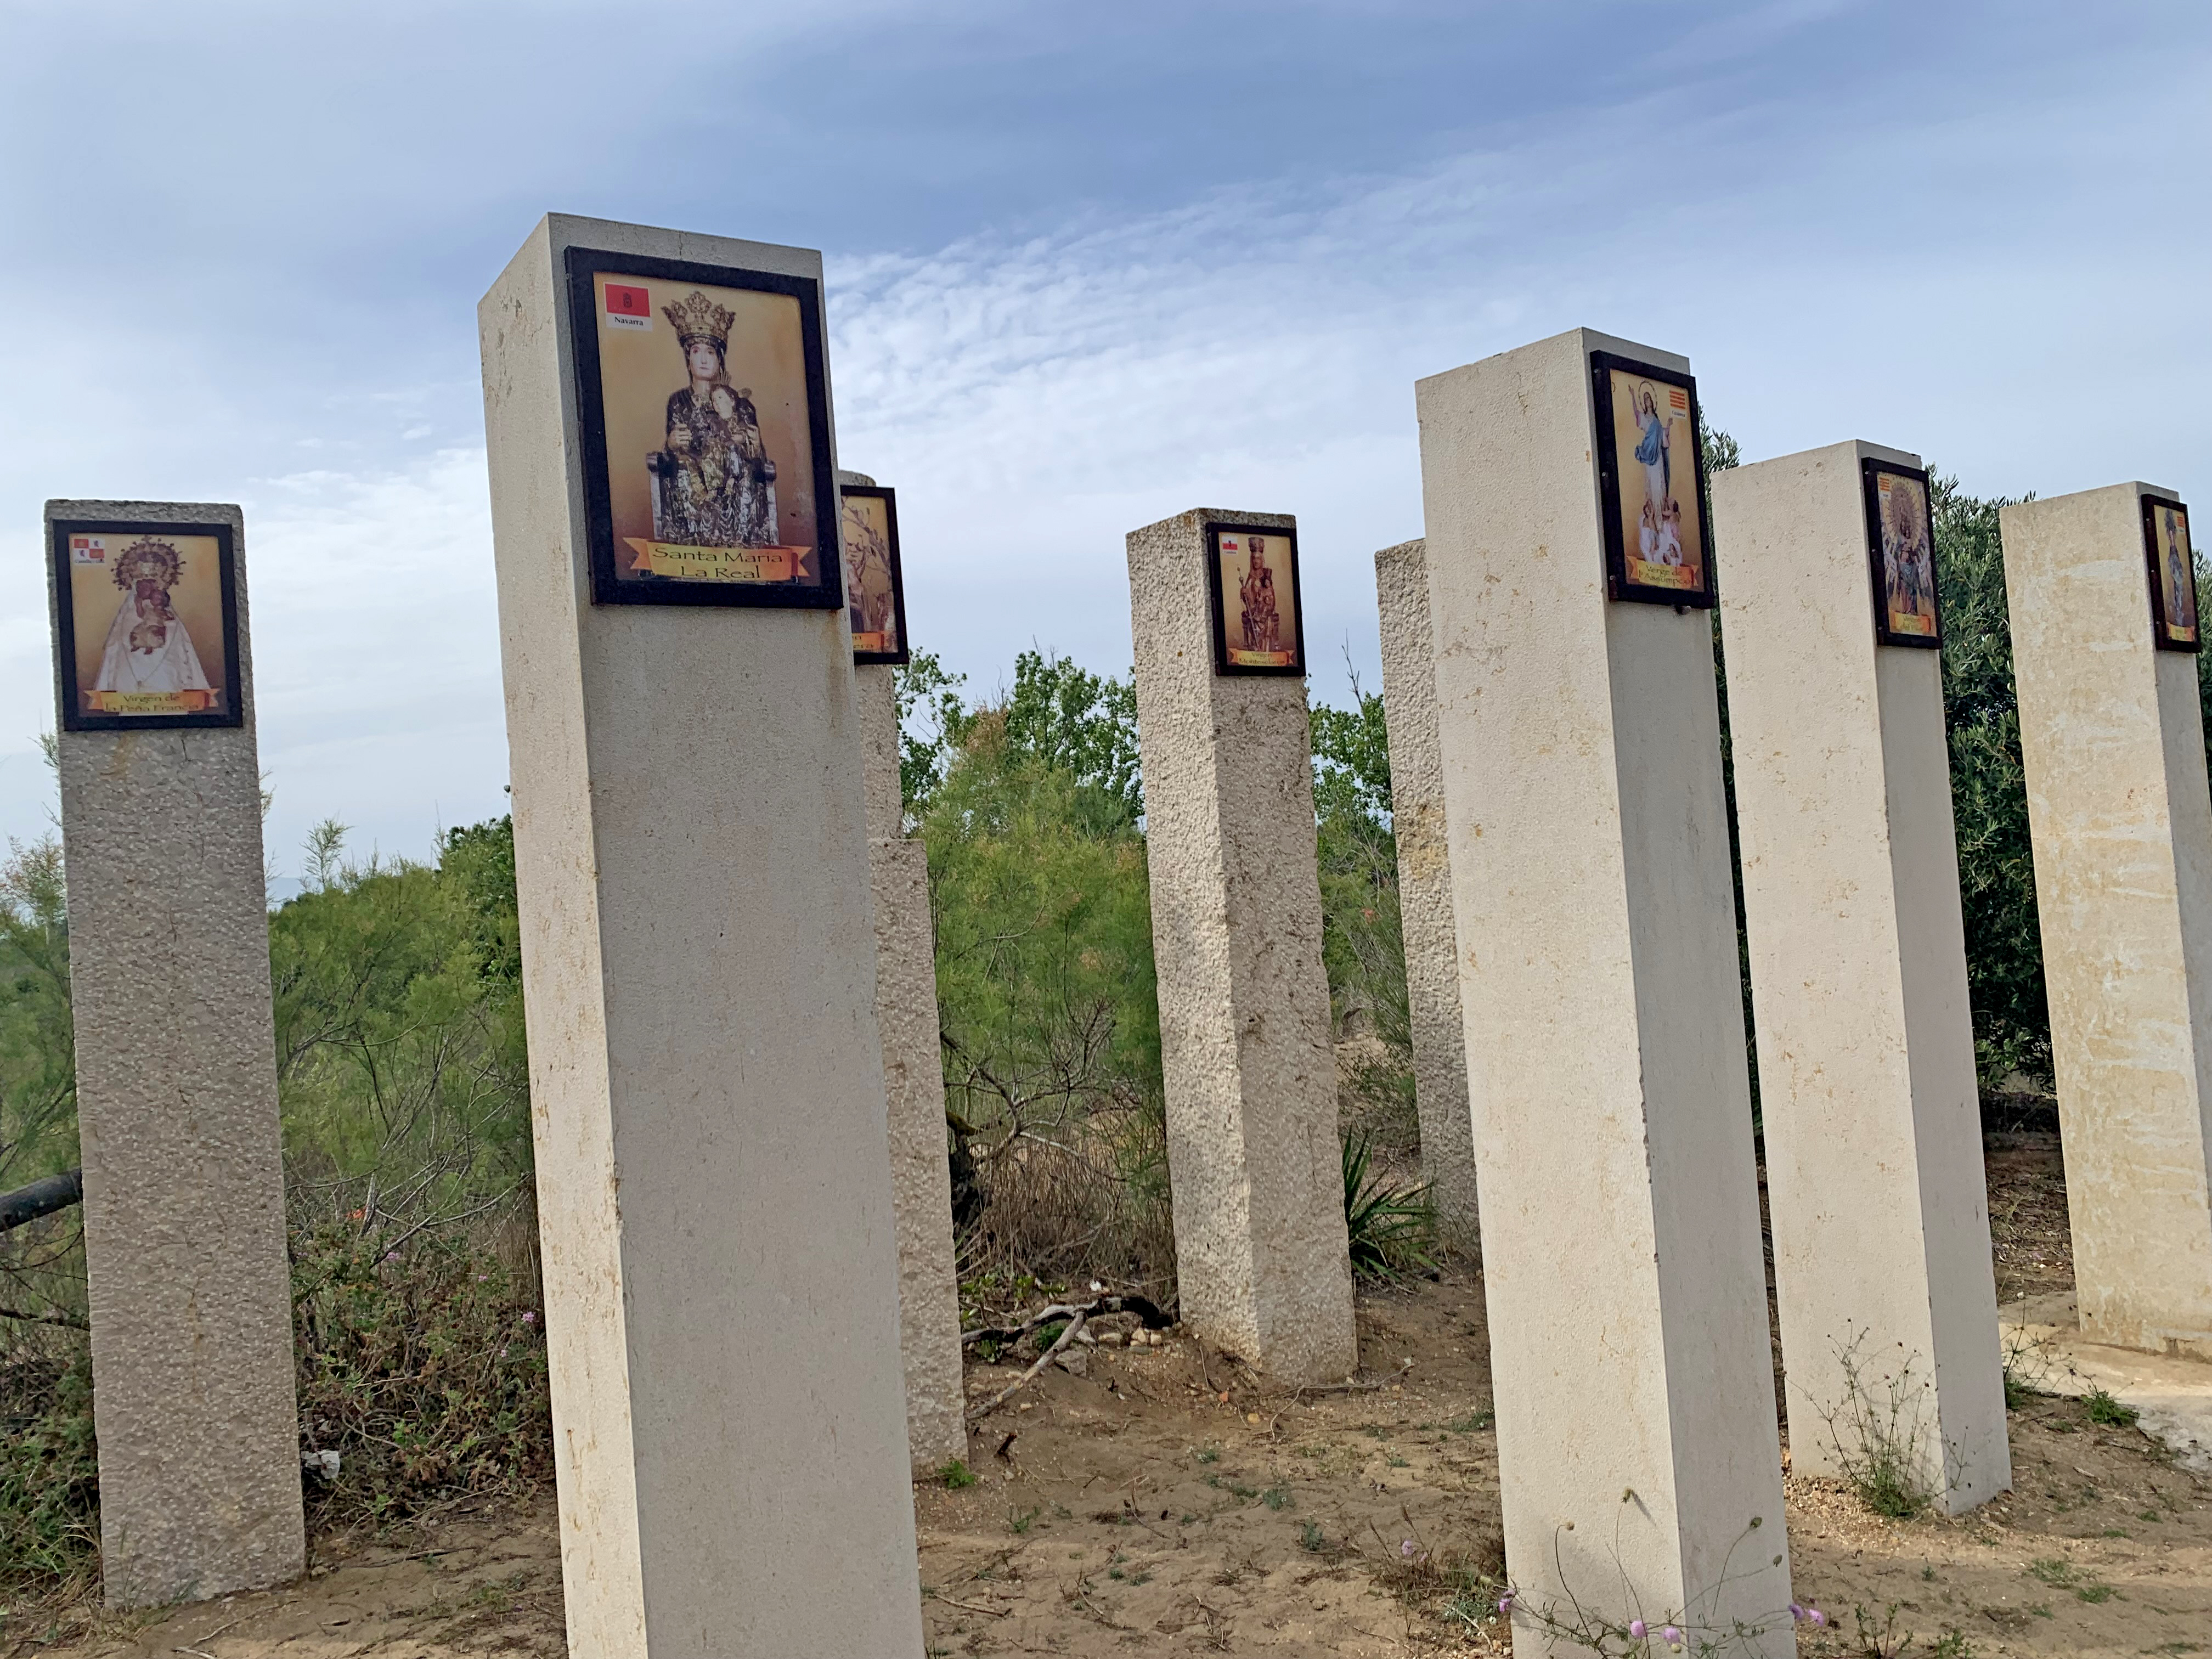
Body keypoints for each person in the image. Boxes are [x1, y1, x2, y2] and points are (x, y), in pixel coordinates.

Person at [657, 290, 776, 548]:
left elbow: (758, 465)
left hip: (734, 484)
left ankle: (741, 542)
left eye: (710, 352)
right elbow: (669, 461)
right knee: (684, 468)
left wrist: (755, 448)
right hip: (696, 484)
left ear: (719, 359)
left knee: (742, 471)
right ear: (687, 359)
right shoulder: (679, 402)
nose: (702, 359)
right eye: (696, 351)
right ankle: (692, 542)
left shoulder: (743, 406)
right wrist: (672, 445)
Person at [92, 538, 211, 705]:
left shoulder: (170, 616)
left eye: (151, 583)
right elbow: (117, 647)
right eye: (142, 584)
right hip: (129, 689)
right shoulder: (127, 615)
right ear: (136, 585)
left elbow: (180, 649)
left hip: (168, 686)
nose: (146, 588)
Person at [1632, 383, 1677, 523]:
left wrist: (1668, 425)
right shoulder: (1645, 419)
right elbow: (1636, 414)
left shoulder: (1657, 422)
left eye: (1649, 398)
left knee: (1660, 485)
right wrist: (1633, 396)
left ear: (1652, 401)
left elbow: (1663, 437)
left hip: (1658, 458)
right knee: (1652, 485)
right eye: (1645, 399)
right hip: (1649, 456)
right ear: (1644, 403)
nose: (1648, 401)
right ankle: (1654, 518)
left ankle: (1661, 518)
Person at [1239, 539, 1280, 653]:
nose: (1256, 561)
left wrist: (1263, 608)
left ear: (1262, 560)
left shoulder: (1266, 579)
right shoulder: (1251, 578)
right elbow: (1249, 599)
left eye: (1258, 558)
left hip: (1265, 614)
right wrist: (1244, 593)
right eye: (1254, 559)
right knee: (1254, 622)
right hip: (1255, 612)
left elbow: (1271, 601)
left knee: (1262, 622)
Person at [1656, 499, 1684, 567]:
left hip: (1672, 531)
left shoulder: (1671, 512)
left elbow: (1663, 513)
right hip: (1674, 531)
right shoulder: (1676, 514)